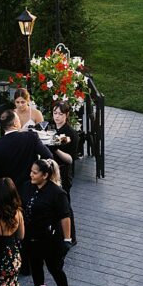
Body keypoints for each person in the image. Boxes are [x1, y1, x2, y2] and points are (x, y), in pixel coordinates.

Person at [21, 158, 75, 286]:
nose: (31, 175)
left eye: (34, 172)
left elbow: (65, 216)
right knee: (36, 268)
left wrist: (67, 239)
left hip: (51, 239)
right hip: (32, 238)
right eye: (31, 171)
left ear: (45, 175)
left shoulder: (57, 193)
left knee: (55, 269)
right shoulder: (28, 187)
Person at [0, 108, 52, 194]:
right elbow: (48, 156)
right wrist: (37, 171)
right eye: (18, 119)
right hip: (31, 186)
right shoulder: (31, 137)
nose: (20, 121)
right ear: (15, 123)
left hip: (9, 192)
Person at [49, 101, 81, 243]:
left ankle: (71, 237)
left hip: (63, 172)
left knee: (65, 205)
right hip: (50, 171)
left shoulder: (71, 134)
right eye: (55, 113)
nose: (57, 117)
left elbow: (70, 159)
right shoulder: (50, 129)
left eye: (60, 114)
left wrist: (56, 149)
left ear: (66, 115)